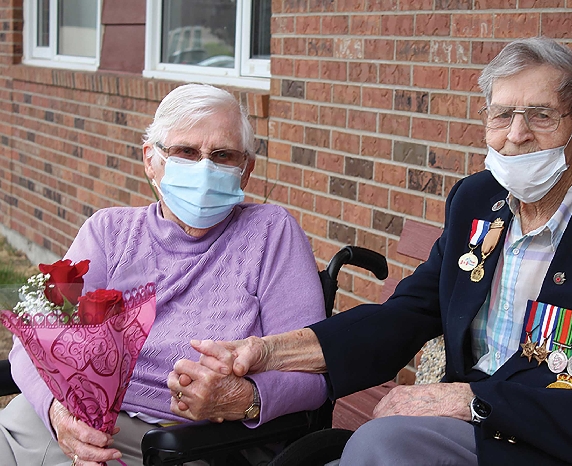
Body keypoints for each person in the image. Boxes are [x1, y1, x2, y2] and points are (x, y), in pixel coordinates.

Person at [182, 37, 572, 465]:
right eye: (502, 116)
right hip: (460, 435)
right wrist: (270, 350)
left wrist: (462, 398)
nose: (516, 136)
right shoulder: (478, 202)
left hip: (548, 448)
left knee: (379, 444)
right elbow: (409, 313)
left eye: (541, 116)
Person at [0, 84, 328, 466]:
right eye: (185, 152)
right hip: (71, 421)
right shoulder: (109, 232)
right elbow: (32, 338)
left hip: (189, 442)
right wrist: (57, 413)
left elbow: (312, 373)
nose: (204, 168)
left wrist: (241, 397)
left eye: (222, 155)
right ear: (150, 161)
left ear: (246, 169)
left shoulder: (272, 233)